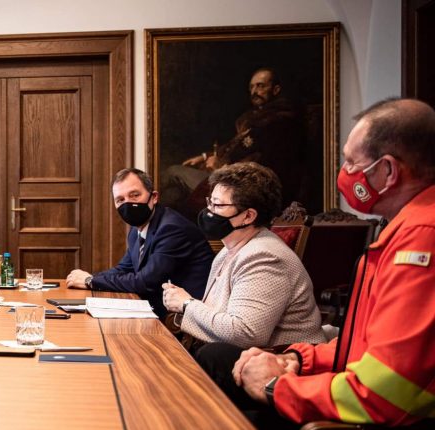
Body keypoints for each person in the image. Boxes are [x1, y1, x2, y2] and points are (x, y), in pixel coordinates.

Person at [223, 98, 435, 427]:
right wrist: (297, 358)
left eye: (351, 162)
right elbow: (362, 348)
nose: (344, 173)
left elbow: (383, 392)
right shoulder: (404, 228)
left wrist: (277, 387)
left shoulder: (422, 238)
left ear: (388, 171)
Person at [162, 162, 326, 351]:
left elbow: (244, 333)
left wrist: (186, 304)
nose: (209, 211)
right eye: (210, 202)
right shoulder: (228, 250)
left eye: (218, 205)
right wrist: (184, 305)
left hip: (280, 356)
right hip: (243, 352)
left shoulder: (264, 257)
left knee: (209, 354)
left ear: (248, 216)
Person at [163, 67, 307, 220]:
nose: (254, 91)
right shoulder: (253, 117)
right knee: (173, 194)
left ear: (276, 89)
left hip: (242, 188)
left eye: (260, 86)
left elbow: (261, 163)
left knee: (173, 172)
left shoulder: (279, 121)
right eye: (251, 87)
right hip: (230, 177)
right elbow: (235, 146)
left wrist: (222, 167)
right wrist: (205, 156)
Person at [65, 168, 213, 317]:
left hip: (186, 317)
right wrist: (88, 278)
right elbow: (124, 269)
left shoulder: (172, 228)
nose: (127, 204)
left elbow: (145, 282)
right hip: (158, 309)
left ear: (154, 197)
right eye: (120, 200)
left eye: (134, 195)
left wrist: (90, 281)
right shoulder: (136, 230)